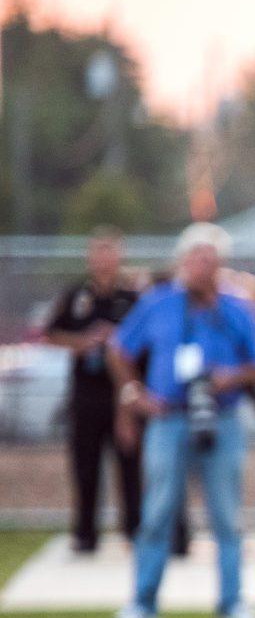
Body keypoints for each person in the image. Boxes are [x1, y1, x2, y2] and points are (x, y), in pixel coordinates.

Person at [110, 222, 255, 618]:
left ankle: (232, 602)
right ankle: (142, 602)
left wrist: (229, 378)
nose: (204, 267)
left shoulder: (235, 308)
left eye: (211, 259)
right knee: (158, 511)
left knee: (227, 516)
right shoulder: (159, 303)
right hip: (169, 418)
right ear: (183, 261)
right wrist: (135, 395)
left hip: (223, 418)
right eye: (196, 258)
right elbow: (119, 349)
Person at [40, 227, 143, 552]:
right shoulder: (76, 296)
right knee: (86, 464)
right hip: (86, 395)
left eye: (109, 251)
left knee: (129, 462)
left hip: (122, 393)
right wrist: (82, 343)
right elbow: (50, 333)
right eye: (97, 251)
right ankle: (85, 535)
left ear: (120, 256)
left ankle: (134, 531)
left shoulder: (131, 297)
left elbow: (147, 342)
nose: (103, 258)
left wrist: (118, 341)